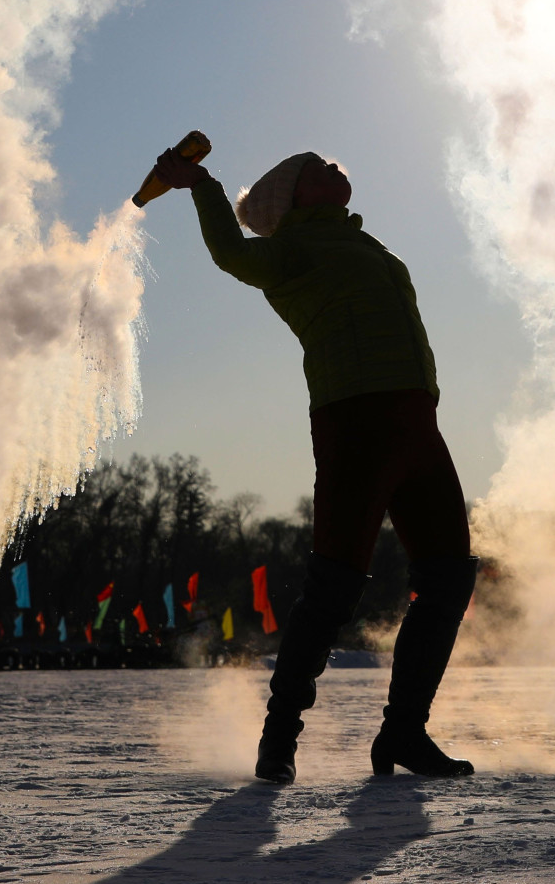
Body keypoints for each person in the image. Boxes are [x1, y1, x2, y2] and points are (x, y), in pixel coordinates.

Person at [146, 143, 479, 784]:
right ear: (294, 195)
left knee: (447, 580)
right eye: (317, 167)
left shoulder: (364, 245)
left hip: (418, 425)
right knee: (334, 589)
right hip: (356, 422)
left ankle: (404, 733)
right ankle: (279, 740)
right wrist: (202, 186)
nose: (336, 167)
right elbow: (231, 254)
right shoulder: (290, 251)